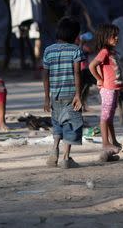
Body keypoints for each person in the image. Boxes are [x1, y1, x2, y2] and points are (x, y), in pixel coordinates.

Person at [43, 16, 86, 169]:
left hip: (55, 95)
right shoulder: (76, 50)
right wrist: (78, 95)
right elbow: (77, 73)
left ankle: (54, 150)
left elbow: (45, 76)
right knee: (71, 123)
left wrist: (46, 98)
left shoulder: (48, 50)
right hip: (70, 94)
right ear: (74, 35)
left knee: (57, 122)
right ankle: (66, 158)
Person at [88, 24, 123, 158]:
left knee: (110, 117)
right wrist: (100, 79)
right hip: (108, 89)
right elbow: (92, 66)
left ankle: (113, 140)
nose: (116, 38)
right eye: (113, 36)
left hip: (114, 89)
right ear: (105, 38)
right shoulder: (104, 52)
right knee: (105, 116)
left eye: (116, 35)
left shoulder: (112, 52)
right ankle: (105, 143)